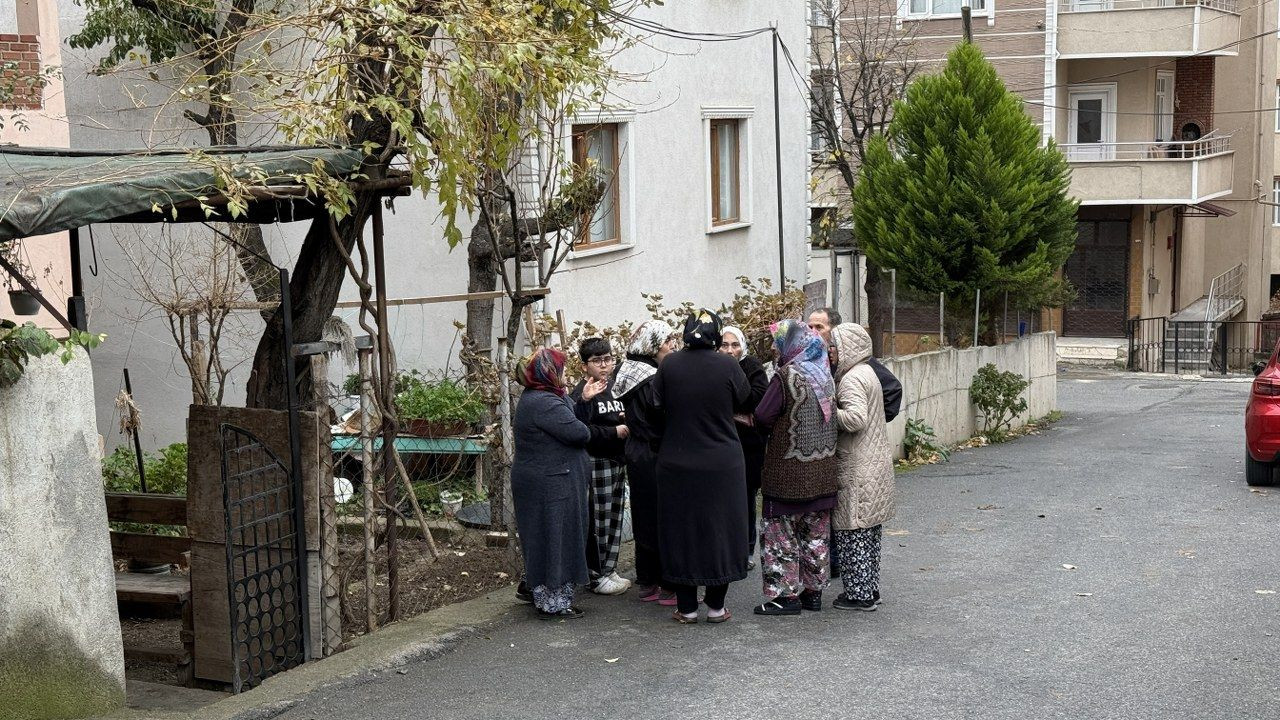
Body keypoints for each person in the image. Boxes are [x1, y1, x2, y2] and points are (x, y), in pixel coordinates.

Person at [655, 309, 751, 624]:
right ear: (715, 335)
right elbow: (744, 397)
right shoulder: (727, 364)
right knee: (720, 529)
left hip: (677, 462)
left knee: (681, 530)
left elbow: (657, 405)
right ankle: (716, 607)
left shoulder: (669, 366)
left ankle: (686, 608)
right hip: (722, 463)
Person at [750, 319, 839, 616]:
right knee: (815, 535)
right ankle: (813, 593)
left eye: (779, 342)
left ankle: (785, 597)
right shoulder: (824, 374)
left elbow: (763, 417)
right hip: (823, 472)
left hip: (788, 473)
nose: (777, 347)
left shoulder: (786, 375)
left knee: (781, 536)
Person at [510, 347, 606, 619]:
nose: (564, 373)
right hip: (552, 484)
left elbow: (571, 417)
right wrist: (577, 407)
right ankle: (552, 603)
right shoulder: (544, 402)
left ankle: (541, 592)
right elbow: (578, 431)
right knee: (556, 539)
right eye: (560, 369)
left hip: (550, 480)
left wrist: (581, 399)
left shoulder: (543, 396)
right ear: (549, 373)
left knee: (547, 537)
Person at [829, 323, 896, 611]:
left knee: (852, 530)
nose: (830, 351)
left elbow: (855, 419)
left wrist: (828, 411)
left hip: (857, 465)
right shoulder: (867, 372)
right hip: (873, 462)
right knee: (868, 533)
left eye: (834, 346)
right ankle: (869, 588)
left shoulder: (851, 379)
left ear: (848, 348)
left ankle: (859, 595)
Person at [613, 321, 677, 606]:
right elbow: (659, 415)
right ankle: (668, 584)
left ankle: (647, 581)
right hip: (654, 451)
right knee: (663, 515)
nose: (672, 345)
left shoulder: (627, 369)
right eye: (667, 341)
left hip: (636, 450)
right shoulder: (650, 377)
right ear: (653, 345)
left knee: (643, 514)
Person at [569, 337, 632, 596]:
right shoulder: (581, 393)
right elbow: (579, 429)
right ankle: (596, 574)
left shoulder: (617, 386)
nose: (604, 365)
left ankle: (610, 567)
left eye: (608, 359)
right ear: (585, 366)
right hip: (596, 460)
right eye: (597, 361)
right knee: (598, 519)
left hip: (619, 460)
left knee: (615, 516)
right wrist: (613, 432)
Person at [719, 325, 769, 569]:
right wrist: (736, 414)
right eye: (725, 345)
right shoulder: (713, 368)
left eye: (735, 345)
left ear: (743, 346)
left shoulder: (753, 367)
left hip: (748, 448)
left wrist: (728, 410)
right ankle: (726, 549)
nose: (730, 350)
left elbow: (757, 400)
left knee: (746, 500)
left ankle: (746, 550)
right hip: (721, 446)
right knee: (724, 502)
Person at [808, 307, 901, 422]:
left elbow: (892, 389)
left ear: (835, 331)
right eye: (809, 327)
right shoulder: (810, 358)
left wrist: (870, 422)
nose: (812, 332)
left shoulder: (855, 360)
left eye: (818, 327)